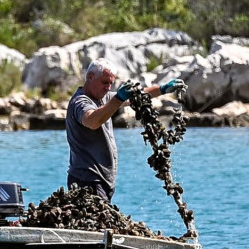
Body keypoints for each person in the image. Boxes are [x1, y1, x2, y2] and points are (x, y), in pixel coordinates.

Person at [65, 59, 184, 201]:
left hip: (101, 181)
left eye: (110, 83)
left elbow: (137, 95)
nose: (108, 88)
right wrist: (118, 98)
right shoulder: (81, 101)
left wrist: (163, 89)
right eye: (104, 82)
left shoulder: (103, 98)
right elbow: (92, 121)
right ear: (90, 77)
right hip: (87, 181)